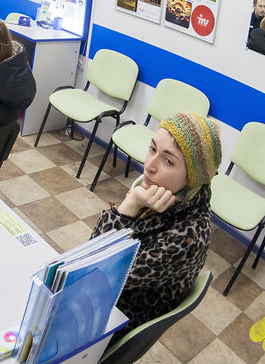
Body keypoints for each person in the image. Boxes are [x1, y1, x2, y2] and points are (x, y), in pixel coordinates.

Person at [90, 111, 222, 332]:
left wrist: (131, 204)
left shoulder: (188, 237)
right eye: (152, 148)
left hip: (114, 320)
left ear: (193, 178)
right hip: (104, 299)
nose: (149, 165)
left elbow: (98, 267)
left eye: (168, 161)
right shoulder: (169, 195)